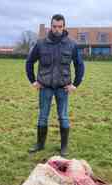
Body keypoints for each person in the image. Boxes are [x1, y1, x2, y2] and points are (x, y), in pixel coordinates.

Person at [25, 14, 85, 157]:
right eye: (54, 26)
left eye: (60, 26)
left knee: (63, 117)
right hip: (45, 86)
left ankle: (63, 147)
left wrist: (75, 84)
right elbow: (29, 62)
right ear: (50, 26)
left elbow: (79, 65)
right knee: (42, 117)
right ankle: (40, 144)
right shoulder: (40, 44)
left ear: (64, 27)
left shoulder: (72, 44)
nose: (57, 29)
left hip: (63, 87)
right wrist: (33, 81)